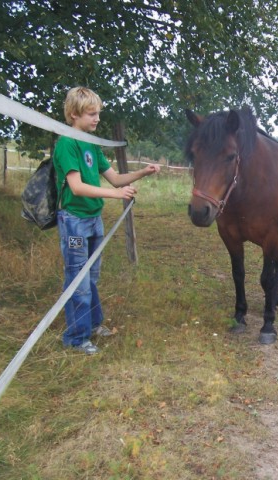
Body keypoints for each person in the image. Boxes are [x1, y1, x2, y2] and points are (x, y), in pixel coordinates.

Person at [53, 86, 160, 354]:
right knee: (78, 279)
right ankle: (76, 338)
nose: (97, 119)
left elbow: (115, 178)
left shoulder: (91, 143)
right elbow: (76, 187)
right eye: (91, 113)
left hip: (93, 218)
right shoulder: (67, 143)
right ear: (74, 114)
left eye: (98, 113)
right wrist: (114, 195)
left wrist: (142, 173)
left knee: (92, 277)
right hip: (74, 221)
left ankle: (92, 324)